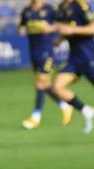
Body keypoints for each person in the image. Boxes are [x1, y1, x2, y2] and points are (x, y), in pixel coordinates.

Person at [18, 0, 73, 128]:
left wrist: (51, 28)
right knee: (45, 85)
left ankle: (36, 116)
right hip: (34, 52)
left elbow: (63, 24)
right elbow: (21, 27)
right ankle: (65, 106)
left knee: (39, 83)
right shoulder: (27, 11)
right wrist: (22, 29)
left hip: (47, 51)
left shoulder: (50, 10)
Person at [53, 0, 94, 133]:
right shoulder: (61, 7)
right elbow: (66, 29)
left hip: (89, 55)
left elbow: (92, 28)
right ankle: (86, 110)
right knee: (58, 87)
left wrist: (73, 30)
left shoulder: (81, 5)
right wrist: (60, 39)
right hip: (74, 58)